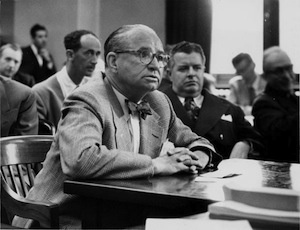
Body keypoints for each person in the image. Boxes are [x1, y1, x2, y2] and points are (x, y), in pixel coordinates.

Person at [12, 24, 222, 229]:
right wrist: (157, 165)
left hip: (124, 212)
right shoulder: (87, 99)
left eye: (160, 57)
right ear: (113, 61)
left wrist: (196, 157)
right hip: (64, 217)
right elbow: (81, 160)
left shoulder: (158, 101)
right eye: (143, 54)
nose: (155, 65)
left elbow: (197, 141)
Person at [162, 41, 264, 159]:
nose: (191, 74)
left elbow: (258, 140)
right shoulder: (156, 106)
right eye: (183, 69)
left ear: (203, 70)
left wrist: (245, 144)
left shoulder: (229, 109)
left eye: (197, 68)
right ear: (170, 74)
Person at [32, 30, 101, 129]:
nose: (95, 61)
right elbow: (39, 141)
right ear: (70, 55)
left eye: (97, 54)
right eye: (88, 53)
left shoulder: (94, 89)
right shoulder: (41, 92)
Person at [252, 46, 299, 163]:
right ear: (266, 76)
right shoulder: (263, 103)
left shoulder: (293, 98)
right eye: (279, 71)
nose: (287, 76)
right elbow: (282, 139)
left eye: (289, 69)